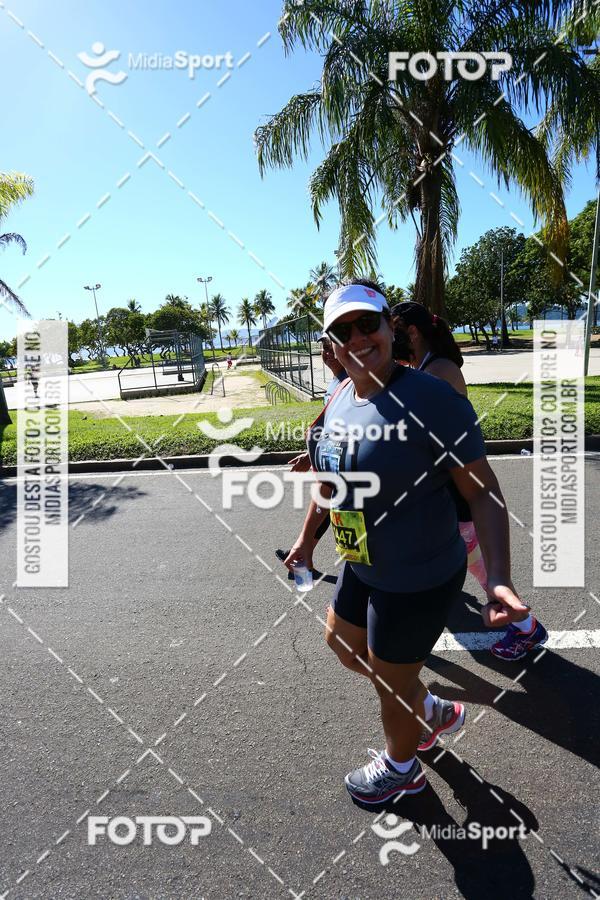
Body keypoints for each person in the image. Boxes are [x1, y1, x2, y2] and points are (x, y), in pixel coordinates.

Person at [284, 280, 530, 804]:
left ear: (390, 327)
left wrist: (500, 581)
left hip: (418, 575)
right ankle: (431, 709)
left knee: (391, 684)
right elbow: (332, 484)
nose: (357, 337)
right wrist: (306, 542)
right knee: (343, 645)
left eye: (367, 323)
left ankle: (402, 767)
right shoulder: (340, 395)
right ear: (330, 342)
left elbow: (483, 494)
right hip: (362, 560)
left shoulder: (431, 399)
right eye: (341, 330)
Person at [391, 301, 548, 661]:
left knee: (468, 561)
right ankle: (521, 623)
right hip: (442, 489)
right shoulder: (424, 366)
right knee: (466, 560)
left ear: (412, 333)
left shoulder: (438, 370)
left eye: (394, 329)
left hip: (456, 489)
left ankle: (524, 626)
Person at [275, 334, 347, 566]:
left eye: (331, 348)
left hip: (342, 466)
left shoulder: (351, 382)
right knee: (324, 507)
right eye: (323, 349)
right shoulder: (336, 381)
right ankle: (304, 554)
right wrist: (310, 454)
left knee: (328, 507)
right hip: (329, 463)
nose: (327, 353)